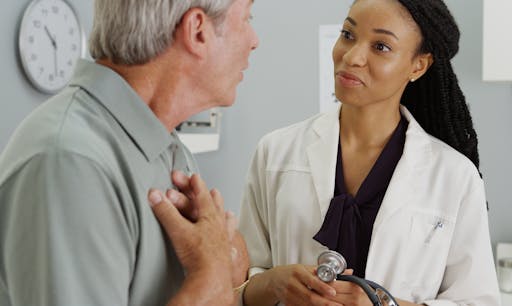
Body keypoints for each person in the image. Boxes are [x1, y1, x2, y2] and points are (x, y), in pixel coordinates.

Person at [238, 0, 501, 305]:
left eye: (380, 46)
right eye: (348, 35)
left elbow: (477, 301)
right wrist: (273, 284)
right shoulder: (275, 153)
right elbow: (236, 284)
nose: (352, 56)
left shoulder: (455, 176)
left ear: (419, 65)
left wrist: (384, 303)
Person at [0, 0, 258, 305]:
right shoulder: (70, 162)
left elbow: (230, 264)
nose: (254, 41)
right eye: (247, 18)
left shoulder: (172, 152)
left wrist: (223, 256)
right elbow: (215, 281)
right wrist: (211, 284)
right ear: (197, 31)